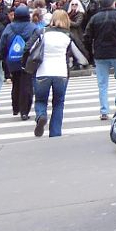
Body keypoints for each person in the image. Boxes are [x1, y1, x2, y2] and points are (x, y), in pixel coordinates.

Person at [32, 9, 88, 138]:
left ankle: (41, 116)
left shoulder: (42, 33)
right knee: (58, 103)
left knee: (40, 100)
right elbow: (81, 55)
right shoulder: (68, 35)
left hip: (42, 71)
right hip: (61, 72)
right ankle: (55, 132)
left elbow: (29, 49)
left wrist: (26, 66)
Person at [83, 0, 116, 120]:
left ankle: (104, 110)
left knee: (102, 83)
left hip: (100, 54)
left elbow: (87, 37)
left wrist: (90, 54)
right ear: (113, 3)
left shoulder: (95, 18)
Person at [0, 5, 41, 120]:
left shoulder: (9, 27)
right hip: (28, 60)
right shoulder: (33, 28)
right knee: (26, 85)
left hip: (12, 59)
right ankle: (24, 111)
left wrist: (5, 58)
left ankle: (15, 107)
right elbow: (39, 43)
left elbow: (2, 45)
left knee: (16, 83)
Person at [66, 0, 90, 69]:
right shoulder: (69, 13)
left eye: (76, 4)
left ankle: (82, 62)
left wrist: (68, 21)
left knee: (79, 48)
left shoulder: (80, 13)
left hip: (77, 34)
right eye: (72, 4)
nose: (74, 6)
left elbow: (77, 24)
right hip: (70, 33)